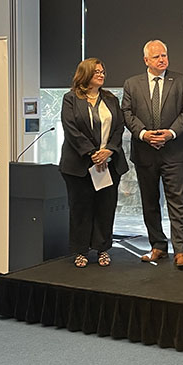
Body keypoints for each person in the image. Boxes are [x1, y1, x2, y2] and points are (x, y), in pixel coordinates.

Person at [122, 40, 183, 270]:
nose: (162, 59)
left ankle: (180, 251)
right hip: (145, 153)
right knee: (150, 203)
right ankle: (158, 246)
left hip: (174, 151)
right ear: (146, 60)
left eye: (164, 55)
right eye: (156, 57)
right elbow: (127, 113)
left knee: (178, 203)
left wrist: (170, 133)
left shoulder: (180, 81)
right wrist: (144, 134)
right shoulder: (132, 84)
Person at [59, 58, 129, 268]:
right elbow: (71, 129)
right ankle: (80, 251)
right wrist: (92, 153)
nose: (101, 74)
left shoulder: (110, 99)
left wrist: (108, 151)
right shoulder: (70, 99)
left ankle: (102, 249)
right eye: (96, 71)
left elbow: (119, 128)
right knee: (80, 209)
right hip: (79, 166)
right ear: (85, 74)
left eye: (102, 71)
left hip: (109, 164)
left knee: (105, 208)